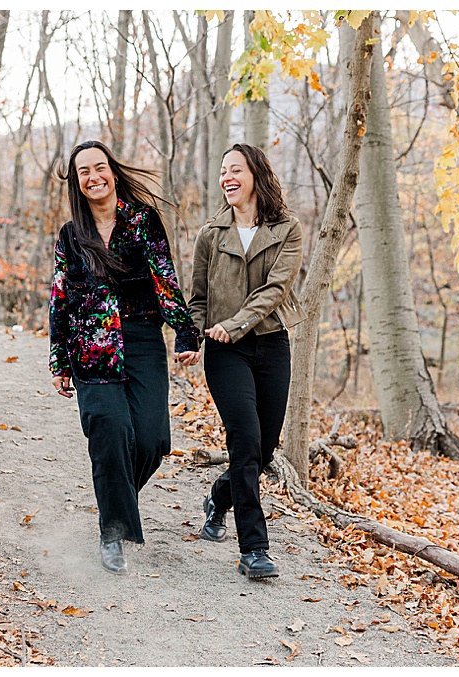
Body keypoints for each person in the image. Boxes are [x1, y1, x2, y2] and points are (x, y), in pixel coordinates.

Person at [48, 140, 202, 574]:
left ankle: (112, 502)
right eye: (84, 172)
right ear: (77, 183)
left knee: (153, 438)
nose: (93, 177)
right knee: (110, 429)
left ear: (113, 172)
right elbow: (60, 297)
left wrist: (185, 332)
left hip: (141, 338)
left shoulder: (141, 220)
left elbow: (165, 277)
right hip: (90, 345)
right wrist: (59, 360)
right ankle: (112, 530)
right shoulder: (70, 234)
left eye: (100, 168)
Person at [189, 143, 303, 580]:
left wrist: (236, 323)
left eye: (235, 169)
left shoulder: (287, 229)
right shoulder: (210, 234)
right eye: (222, 172)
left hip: (271, 344)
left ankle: (219, 498)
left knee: (264, 448)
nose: (226, 178)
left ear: (255, 174)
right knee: (245, 438)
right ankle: (254, 548)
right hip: (225, 351)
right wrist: (190, 338)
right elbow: (198, 298)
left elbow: (276, 290)